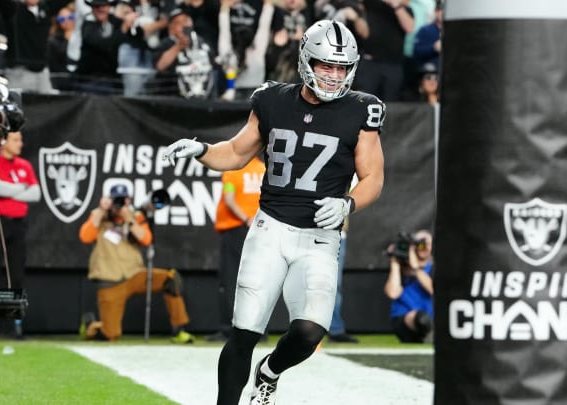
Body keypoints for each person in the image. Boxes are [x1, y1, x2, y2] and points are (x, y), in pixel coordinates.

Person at [163, 19, 385, 405]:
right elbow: (235, 152)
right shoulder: (272, 99)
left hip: (320, 236)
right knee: (245, 330)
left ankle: (270, 372)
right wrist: (201, 150)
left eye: (341, 68)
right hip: (270, 228)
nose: (334, 76)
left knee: (310, 331)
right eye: (325, 66)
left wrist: (349, 202)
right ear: (305, 61)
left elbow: (374, 177)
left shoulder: (362, 110)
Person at [78, 184, 195, 343]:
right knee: (110, 335)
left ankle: (179, 331)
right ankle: (91, 325)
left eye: (123, 200)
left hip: (135, 275)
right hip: (110, 281)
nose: (119, 204)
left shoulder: (136, 217)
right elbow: (85, 237)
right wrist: (101, 211)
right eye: (115, 200)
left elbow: (146, 239)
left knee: (171, 278)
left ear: (128, 201)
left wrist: (129, 220)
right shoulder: (99, 217)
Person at [207, 157, 265, 342]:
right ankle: (258, 331)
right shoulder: (264, 170)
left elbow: (229, 199)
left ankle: (229, 330)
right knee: (259, 280)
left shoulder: (233, 170)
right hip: (262, 229)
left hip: (236, 228)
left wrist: (246, 219)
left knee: (231, 279)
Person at [0, 123, 40, 339]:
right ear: (4, 141)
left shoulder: (25, 165)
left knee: (17, 274)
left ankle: (13, 324)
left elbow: (36, 194)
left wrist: (8, 191)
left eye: (21, 139)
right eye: (16, 139)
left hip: (19, 223)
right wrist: (20, 188)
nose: (20, 144)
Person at [383, 229, 433, 343]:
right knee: (421, 319)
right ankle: (427, 336)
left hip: (429, 319)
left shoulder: (433, 267)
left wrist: (416, 267)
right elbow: (392, 293)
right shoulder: (402, 268)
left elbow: (432, 289)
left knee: (425, 319)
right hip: (404, 320)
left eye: (428, 244)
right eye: (421, 244)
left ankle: (428, 334)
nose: (425, 247)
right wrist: (395, 263)